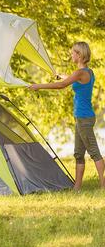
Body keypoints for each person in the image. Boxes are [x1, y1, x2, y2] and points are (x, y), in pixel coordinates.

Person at [29, 41, 104, 191]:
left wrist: (39, 86)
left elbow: (61, 85)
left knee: (94, 152)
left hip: (84, 117)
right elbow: (69, 78)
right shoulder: (87, 72)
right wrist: (59, 75)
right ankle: (77, 187)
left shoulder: (80, 73)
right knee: (78, 153)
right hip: (81, 117)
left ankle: (103, 186)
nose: (71, 55)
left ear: (80, 55)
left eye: (73, 53)